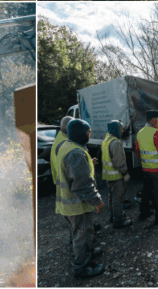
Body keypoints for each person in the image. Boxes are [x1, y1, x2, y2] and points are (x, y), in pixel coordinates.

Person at [54, 119, 106, 279]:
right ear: (80, 133)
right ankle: (81, 268)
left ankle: (88, 253)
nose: (89, 134)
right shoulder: (76, 153)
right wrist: (97, 201)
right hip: (77, 206)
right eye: (88, 131)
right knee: (81, 236)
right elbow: (82, 185)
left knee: (85, 231)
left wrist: (89, 162)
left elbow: (75, 172)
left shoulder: (66, 146)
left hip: (71, 203)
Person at [101, 120, 132, 229]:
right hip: (117, 176)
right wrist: (125, 173)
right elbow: (118, 162)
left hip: (108, 176)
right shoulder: (115, 143)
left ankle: (113, 217)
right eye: (121, 128)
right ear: (116, 129)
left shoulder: (106, 140)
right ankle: (118, 221)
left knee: (111, 198)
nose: (122, 130)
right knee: (118, 199)